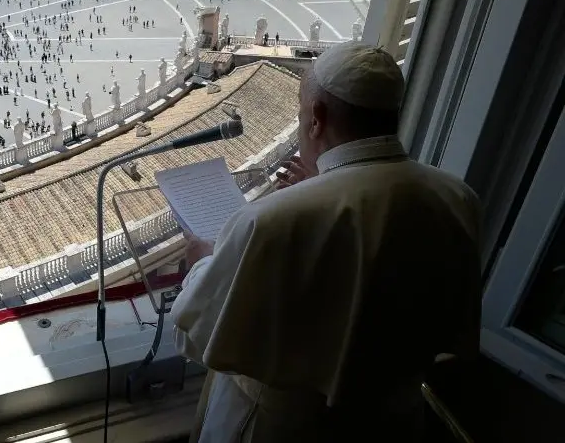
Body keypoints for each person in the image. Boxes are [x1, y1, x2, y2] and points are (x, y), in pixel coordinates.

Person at [172, 41, 482, 443]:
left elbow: (197, 335)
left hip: (285, 429)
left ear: (316, 118)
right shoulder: (458, 198)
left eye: (301, 113)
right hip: (394, 425)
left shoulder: (266, 221)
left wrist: (202, 261)